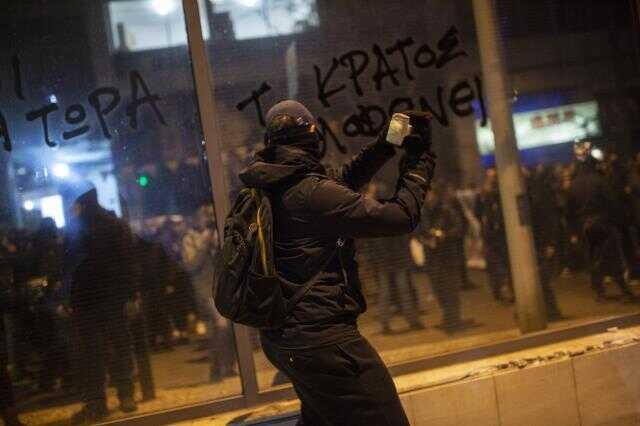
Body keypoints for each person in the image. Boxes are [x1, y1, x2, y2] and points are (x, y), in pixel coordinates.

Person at [241, 100, 435, 425]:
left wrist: (386, 145)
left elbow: (339, 184)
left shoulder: (271, 184)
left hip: (284, 338)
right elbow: (400, 217)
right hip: (325, 343)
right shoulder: (308, 192)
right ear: (313, 138)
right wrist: (419, 162)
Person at [67, 189, 139, 424]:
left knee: (93, 352)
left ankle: (98, 402)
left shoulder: (79, 228)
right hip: (110, 297)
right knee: (118, 346)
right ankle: (125, 395)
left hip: (91, 299)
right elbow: (128, 261)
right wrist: (130, 294)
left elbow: (70, 266)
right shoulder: (112, 224)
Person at [567, 142, 636, 302]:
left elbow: (569, 210)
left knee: (593, 258)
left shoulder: (574, 185)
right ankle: (625, 290)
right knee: (612, 256)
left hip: (584, 225)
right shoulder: (599, 181)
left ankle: (599, 292)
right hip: (603, 222)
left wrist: (573, 231)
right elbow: (611, 202)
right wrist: (620, 220)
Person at [182, 205, 236, 382]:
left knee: (225, 328)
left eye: (212, 214)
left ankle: (227, 367)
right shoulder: (190, 239)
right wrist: (205, 244)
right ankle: (217, 368)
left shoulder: (219, 233)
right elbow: (191, 266)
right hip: (206, 290)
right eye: (205, 214)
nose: (209, 218)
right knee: (220, 326)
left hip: (224, 286)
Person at [420, 185, 475, 332]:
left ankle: (453, 321)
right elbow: (418, 231)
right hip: (432, 257)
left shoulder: (446, 209)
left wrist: (445, 235)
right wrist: (425, 238)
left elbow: (459, 228)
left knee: (450, 289)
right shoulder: (422, 212)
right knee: (439, 289)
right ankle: (448, 317)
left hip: (447, 255)